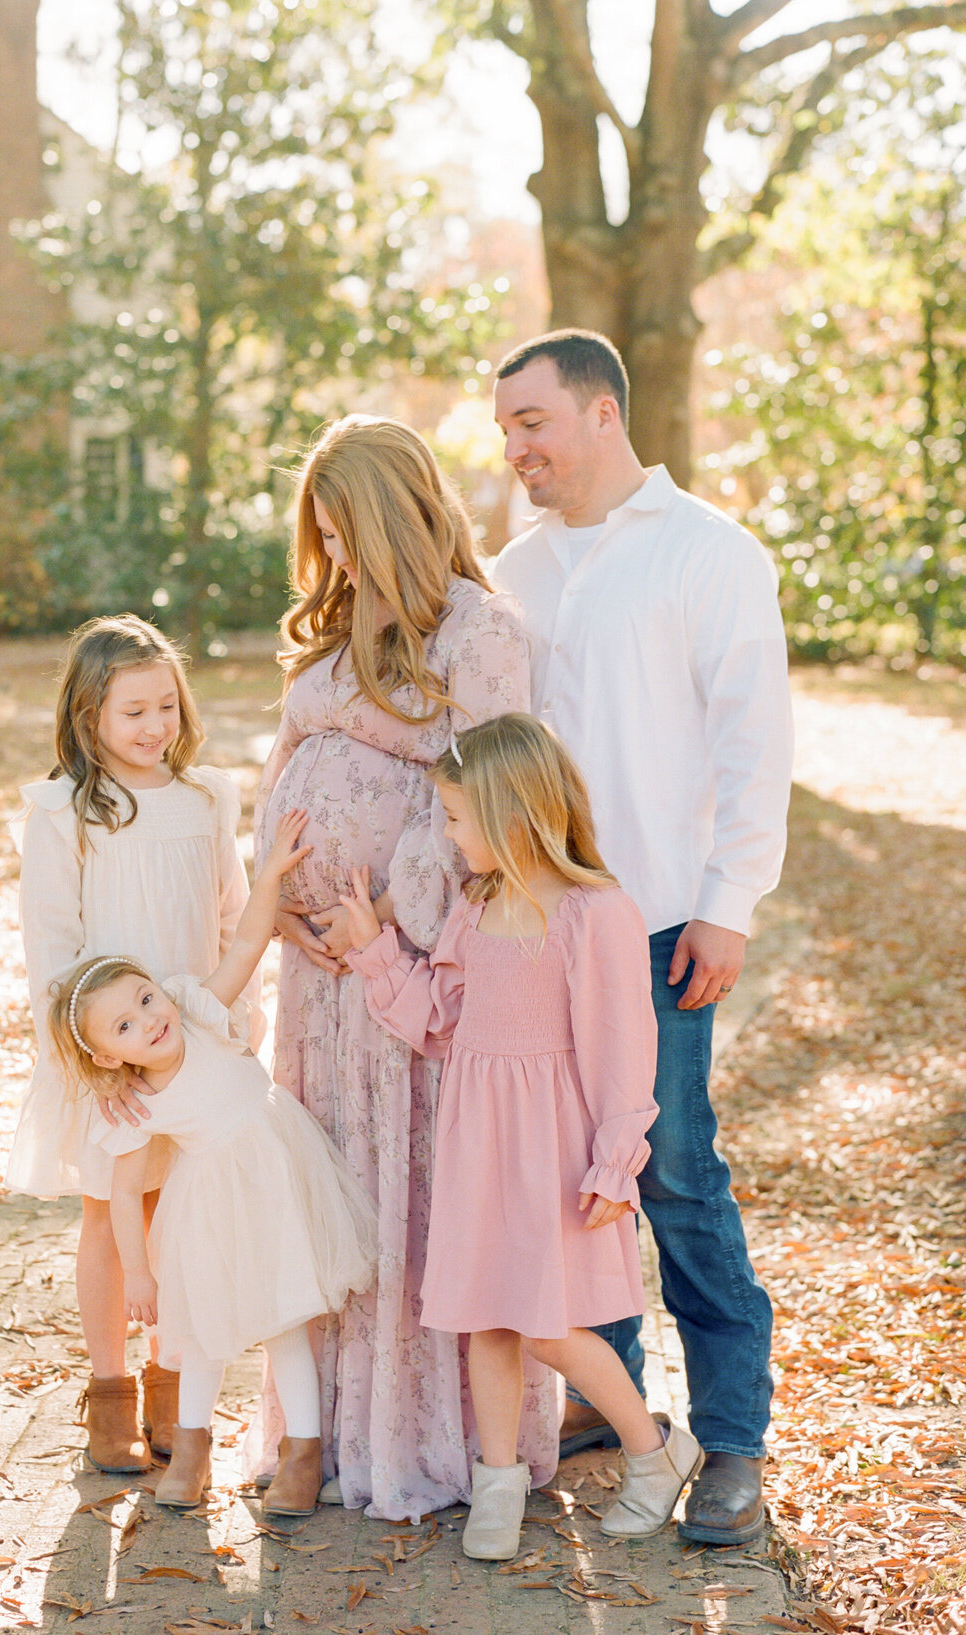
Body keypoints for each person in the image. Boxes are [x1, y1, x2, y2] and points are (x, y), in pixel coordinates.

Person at [490, 329, 793, 1545]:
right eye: (505, 428)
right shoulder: (512, 569)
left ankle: (730, 1441)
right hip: (538, 927)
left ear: (603, 412)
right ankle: (617, 1408)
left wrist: (730, 899)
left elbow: (752, 737)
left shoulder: (708, 553)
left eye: (533, 422)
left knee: (672, 1173)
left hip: (663, 920)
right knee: (573, 1178)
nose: (516, 447)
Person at [253, 415, 558, 1522]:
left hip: (404, 970)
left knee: (408, 1201)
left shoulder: (478, 631)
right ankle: (319, 1431)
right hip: (315, 982)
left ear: (394, 518)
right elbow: (285, 767)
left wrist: (381, 910)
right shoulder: (333, 632)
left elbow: (493, 789)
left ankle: (422, 1445)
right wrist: (278, 895)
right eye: (319, 536)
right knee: (328, 1196)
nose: (330, 556)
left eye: (345, 533)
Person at [339, 714, 704, 1558]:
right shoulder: (481, 904)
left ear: (512, 814)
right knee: (485, 1319)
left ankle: (655, 1453)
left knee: (545, 1322)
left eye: (458, 819)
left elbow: (622, 1048)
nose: (449, 835)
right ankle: (496, 1481)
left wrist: (618, 1158)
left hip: (550, 1148)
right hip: (479, 1142)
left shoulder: (593, 911)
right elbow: (441, 1020)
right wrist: (374, 951)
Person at [47, 807, 377, 1518]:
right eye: (126, 1024)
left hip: (280, 1179)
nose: (150, 1017)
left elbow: (249, 942)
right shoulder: (133, 1103)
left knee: (286, 1320)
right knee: (199, 1333)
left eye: (144, 996)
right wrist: (137, 1271)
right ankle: (191, 1452)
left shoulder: (197, 1010)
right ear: (110, 1055)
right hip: (209, 1207)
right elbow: (126, 1186)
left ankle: (303, 1454)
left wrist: (269, 875)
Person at [5, 613, 263, 1476]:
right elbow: (51, 952)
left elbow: (231, 915)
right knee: (112, 1222)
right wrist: (91, 1063)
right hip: (110, 1056)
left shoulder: (204, 798)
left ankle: (173, 1386)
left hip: (188, 1044)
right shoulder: (65, 814)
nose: (156, 727)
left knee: (181, 1219)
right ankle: (109, 1393)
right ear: (89, 720)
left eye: (166, 706)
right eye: (133, 712)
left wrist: (242, 1020)